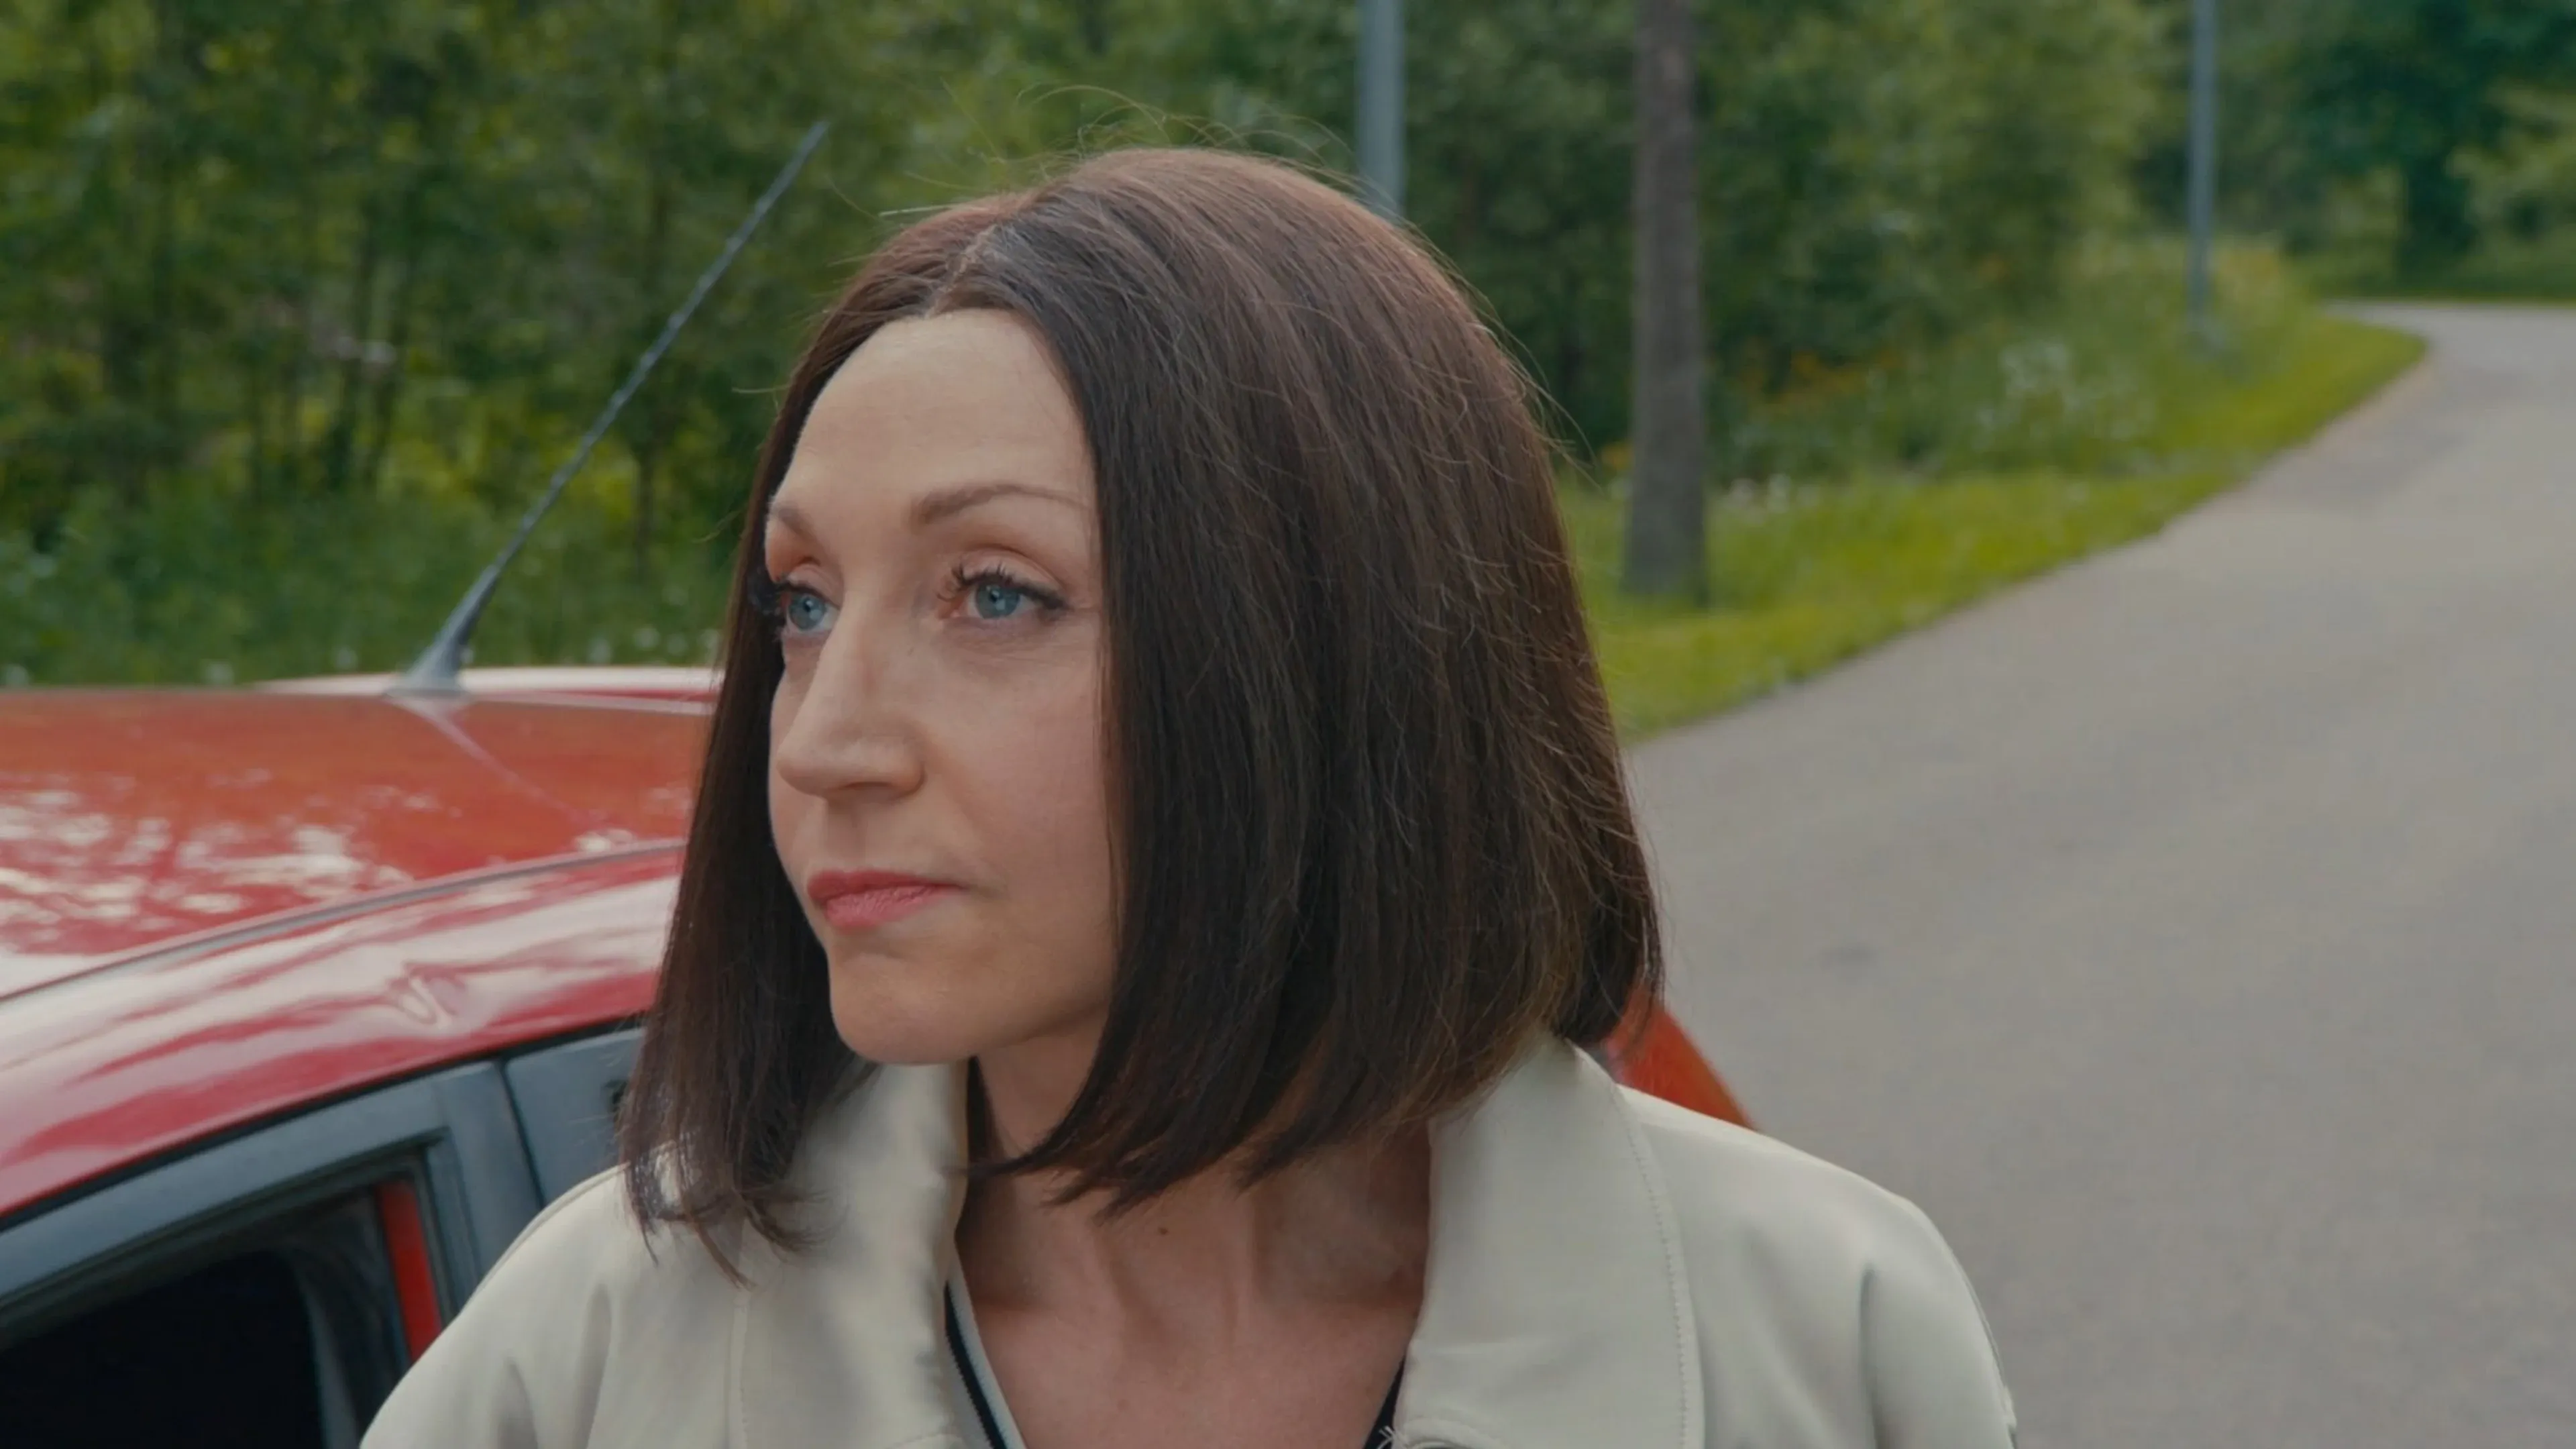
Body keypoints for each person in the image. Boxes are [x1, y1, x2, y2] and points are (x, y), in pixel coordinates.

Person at [363, 147, 2016, 1449]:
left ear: (1328, 651)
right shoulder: (588, 1357)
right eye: (802, 604)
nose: (823, 743)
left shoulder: (1824, 1334)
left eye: (992, 593)